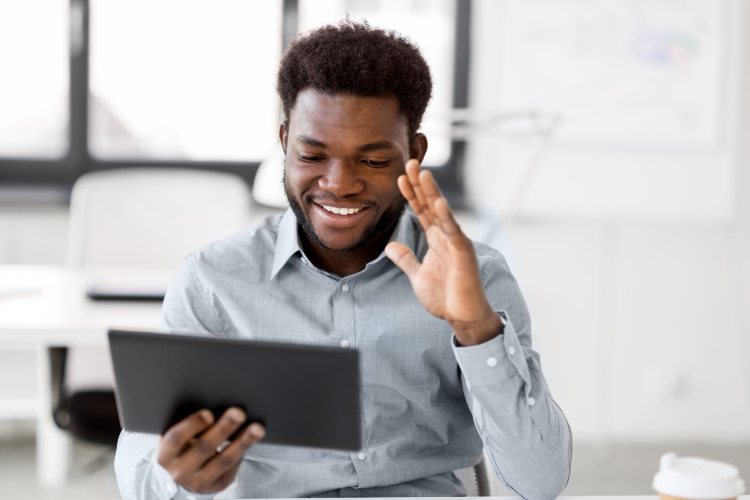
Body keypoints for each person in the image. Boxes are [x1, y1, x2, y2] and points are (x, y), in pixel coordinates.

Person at [115, 21, 572, 500]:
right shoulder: (212, 282)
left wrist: (477, 328)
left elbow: (541, 484)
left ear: (413, 153)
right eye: (313, 155)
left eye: (373, 161)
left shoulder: (475, 276)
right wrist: (178, 478)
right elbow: (145, 472)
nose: (338, 184)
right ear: (284, 141)